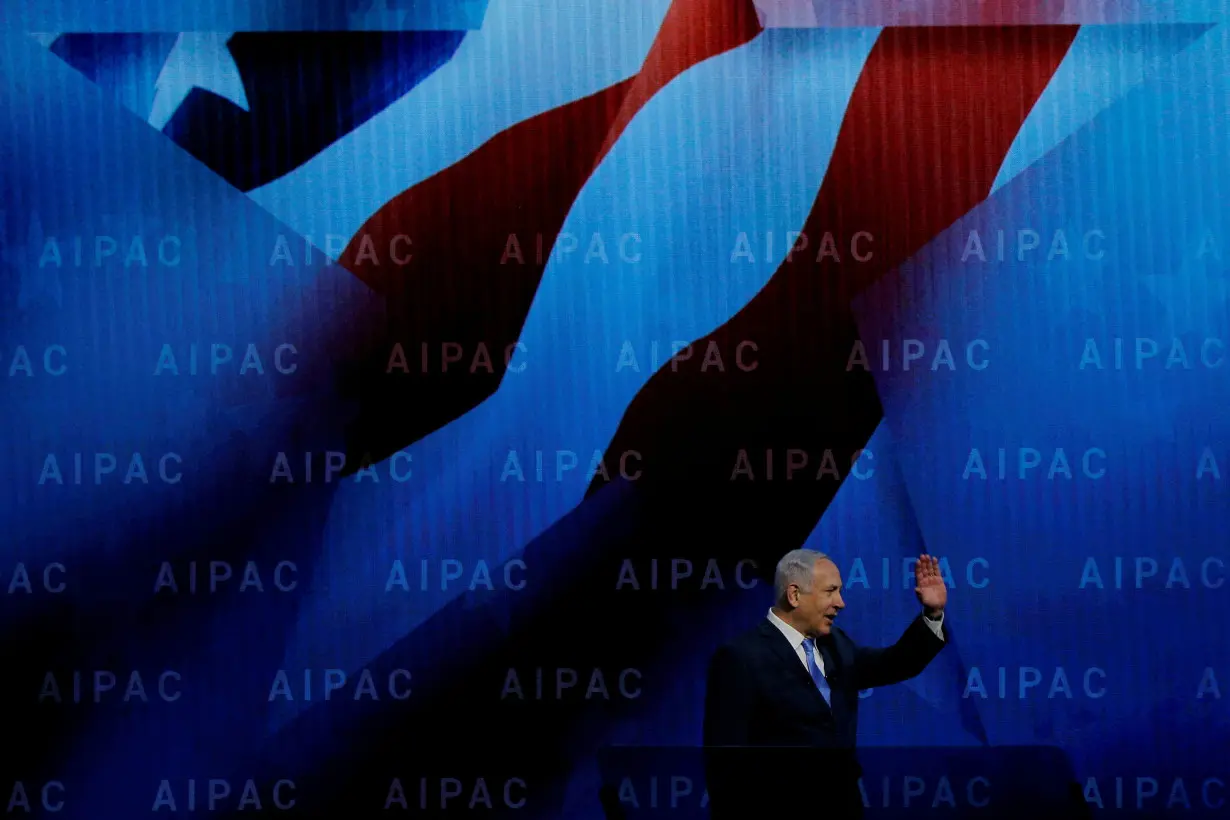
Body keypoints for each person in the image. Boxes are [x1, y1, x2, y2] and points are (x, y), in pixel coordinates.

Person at [702, 549, 948, 817]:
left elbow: (895, 664)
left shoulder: (836, 644)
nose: (840, 603)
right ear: (795, 595)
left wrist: (932, 614)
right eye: (830, 591)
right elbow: (725, 765)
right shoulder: (741, 657)